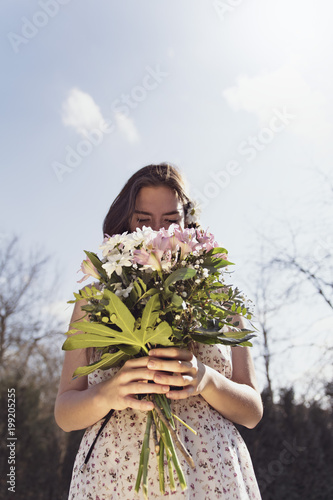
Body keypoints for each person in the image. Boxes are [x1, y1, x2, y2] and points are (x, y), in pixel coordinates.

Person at [54, 163, 263, 499]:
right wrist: (107, 394)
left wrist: (207, 378)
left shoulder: (222, 297)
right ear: (125, 225)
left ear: (186, 224)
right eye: (142, 221)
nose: (156, 233)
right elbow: (65, 413)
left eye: (169, 221)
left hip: (210, 474)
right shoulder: (94, 298)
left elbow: (252, 411)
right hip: (115, 475)